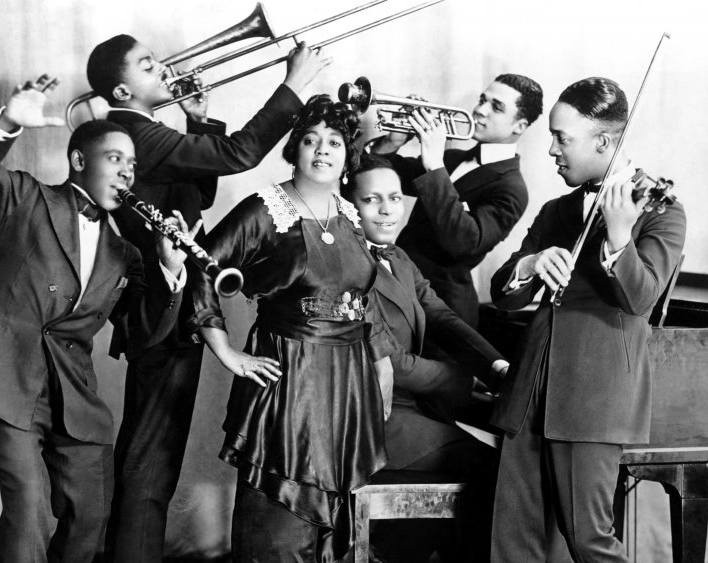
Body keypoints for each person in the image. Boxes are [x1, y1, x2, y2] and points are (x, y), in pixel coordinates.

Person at [84, 34, 331, 562]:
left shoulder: (147, 135)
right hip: (161, 308)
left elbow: (197, 195)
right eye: (149, 64)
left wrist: (198, 123)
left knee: (156, 456)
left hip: (172, 307)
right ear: (124, 88)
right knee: (149, 460)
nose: (164, 67)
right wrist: (292, 84)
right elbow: (239, 154)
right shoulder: (135, 134)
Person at [0, 74, 194, 563]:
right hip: (5, 375)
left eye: (132, 165)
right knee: (30, 503)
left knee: (91, 512)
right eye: (114, 159)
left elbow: (142, 333)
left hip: (73, 390)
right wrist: (9, 121)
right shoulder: (25, 200)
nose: (126, 173)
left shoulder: (125, 253)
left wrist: (170, 268)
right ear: (79, 161)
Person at [488, 77, 686, 562]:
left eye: (562, 138)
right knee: (515, 547)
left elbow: (641, 300)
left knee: (588, 540)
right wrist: (528, 266)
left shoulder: (661, 210)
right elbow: (504, 296)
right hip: (530, 391)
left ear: (603, 141)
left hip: (593, 396)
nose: (552, 149)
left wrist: (618, 238)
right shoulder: (558, 209)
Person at [189, 95, 393, 562]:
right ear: (293, 149)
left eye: (335, 141)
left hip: (346, 385)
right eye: (310, 140)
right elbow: (202, 268)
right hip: (290, 383)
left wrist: (381, 366)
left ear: (348, 154)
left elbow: (362, 299)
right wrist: (226, 352)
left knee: (335, 526)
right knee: (279, 520)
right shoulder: (264, 209)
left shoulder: (351, 216)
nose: (323, 150)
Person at [343, 155, 509, 563]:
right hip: (369, 418)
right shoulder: (344, 263)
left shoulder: (396, 256)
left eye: (395, 198)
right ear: (349, 206)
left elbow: (441, 317)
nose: (387, 210)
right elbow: (393, 362)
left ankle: (404, 552)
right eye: (371, 200)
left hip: (408, 408)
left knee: (499, 457)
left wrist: (496, 366)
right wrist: (465, 383)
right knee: (493, 467)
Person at [371, 74, 544, 327]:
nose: (480, 110)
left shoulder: (512, 189)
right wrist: (392, 141)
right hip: (398, 287)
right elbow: (375, 176)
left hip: (443, 312)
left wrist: (434, 166)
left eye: (496, 107)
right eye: (482, 100)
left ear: (519, 126)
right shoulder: (452, 159)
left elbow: (464, 243)